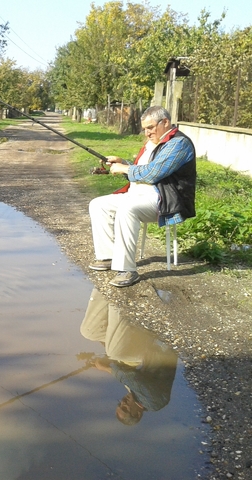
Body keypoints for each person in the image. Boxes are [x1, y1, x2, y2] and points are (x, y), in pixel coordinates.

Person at [88, 105, 196, 287]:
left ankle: (127, 270)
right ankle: (108, 256)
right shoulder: (152, 143)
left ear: (166, 122)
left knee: (127, 209)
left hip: (165, 200)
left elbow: (153, 173)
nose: (146, 133)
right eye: (144, 128)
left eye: (150, 127)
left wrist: (126, 168)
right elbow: (143, 169)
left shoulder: (178, 144)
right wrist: (123, 163)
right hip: (138, 194)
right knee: (98, 204)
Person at [81, 288, 177, 425]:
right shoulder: (155, 403)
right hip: (157, 345)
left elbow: (125, 370)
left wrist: (108, 355)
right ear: (137, 414)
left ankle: (104, 286)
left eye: (120, 404)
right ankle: (119, 293)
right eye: (125, 408)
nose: (123, 402)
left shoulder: (133, 392)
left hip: (144, 349)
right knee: (115, 352)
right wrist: (106, 368)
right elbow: (132, 378)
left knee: (89, 332)